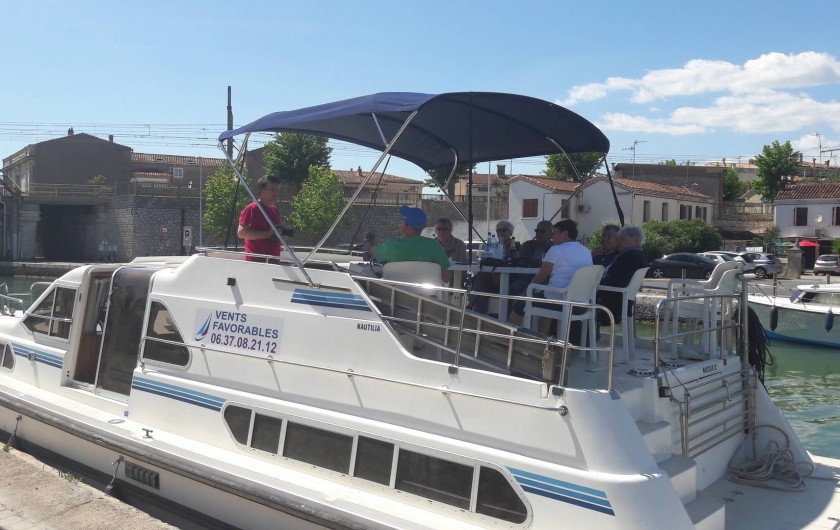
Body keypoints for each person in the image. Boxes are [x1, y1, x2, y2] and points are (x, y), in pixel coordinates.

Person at [366, 205, 451, 283]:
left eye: (402, 220)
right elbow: (446, 278)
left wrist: (368, 241)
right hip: (427, 297)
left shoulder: (391, 245)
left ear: (406, 225)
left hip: (394, 296)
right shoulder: (434, 246)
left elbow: (370, 250)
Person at [596, 225, 648, 325]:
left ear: (634, 240)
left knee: (576, 302)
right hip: (622, 303)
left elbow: (613, 279)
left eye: (622, 238)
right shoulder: (638, 256)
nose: (619, 241)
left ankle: (582, 338)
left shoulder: (628, 257)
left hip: (611, 304)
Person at [468, 220, 521, 314]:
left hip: (509, 278)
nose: (501, 233)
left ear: (511, 232)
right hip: (492, 277)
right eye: (498, 230)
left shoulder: (516, 247)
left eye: (504, 230)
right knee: (482, 287)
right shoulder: (493, 246)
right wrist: (493, 275)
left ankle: (471, 306)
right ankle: (480, 316)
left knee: (481, 279)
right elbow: (486, 261)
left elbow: (515, 264)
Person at [238, 174, 286, 262]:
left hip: (273, 261)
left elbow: (275, 232)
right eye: (272, 190)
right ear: (261, 190)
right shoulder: (252, 208)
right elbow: (242, 233)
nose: (276, 193)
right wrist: (267, 234)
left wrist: (283, 233)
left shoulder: (274, 210)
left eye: (277, 190)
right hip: (257, 264)